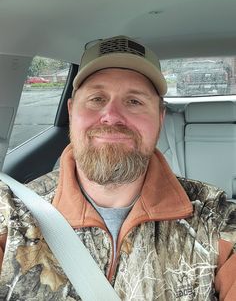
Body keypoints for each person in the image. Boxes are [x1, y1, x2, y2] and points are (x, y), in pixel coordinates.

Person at [0, 35, 235, 300]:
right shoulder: (10, 213)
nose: (111, 115)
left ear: (159, 118)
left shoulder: (216, 217)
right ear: (71, 110)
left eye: (134, 101)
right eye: (97, 99)